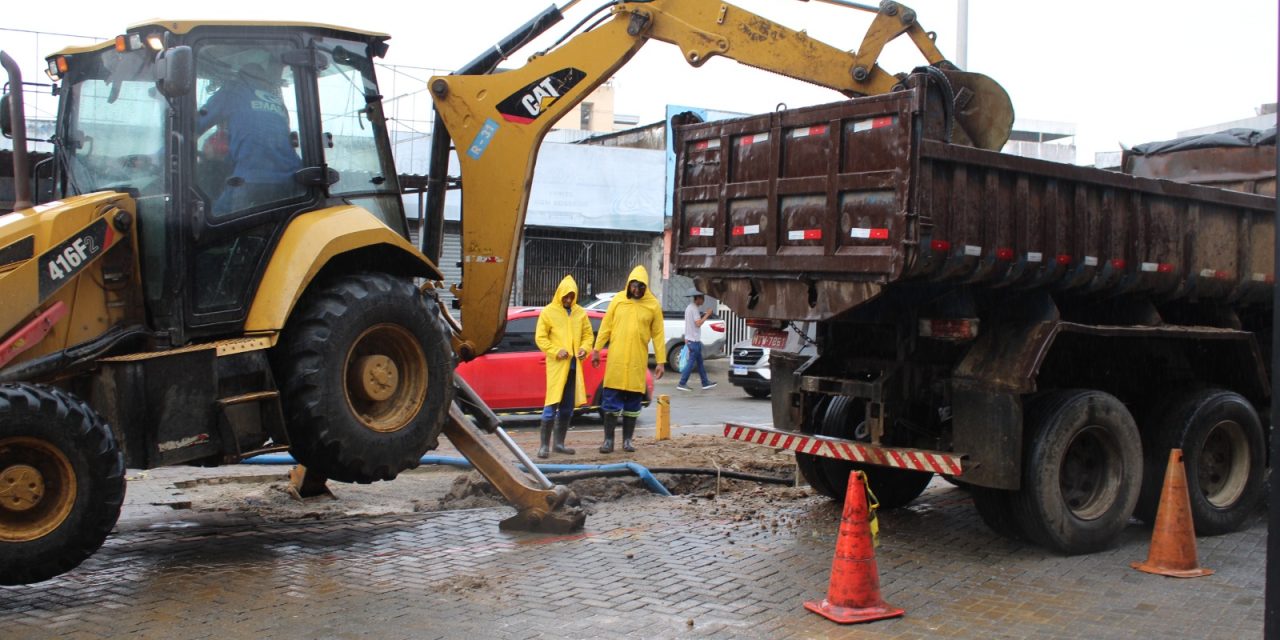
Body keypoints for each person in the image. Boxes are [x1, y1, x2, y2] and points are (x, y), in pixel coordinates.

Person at [196, 61, 303, 215]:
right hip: (293, 177)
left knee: (215, 219)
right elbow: (263, 138)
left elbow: (193, 125)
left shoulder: (232, 92)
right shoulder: (276, 101)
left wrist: (161, 155)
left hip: (252, 178)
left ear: (239, 77)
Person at [591, 265, 665, 453]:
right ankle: (608, 441)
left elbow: (658, 335)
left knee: (633, 404)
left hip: (637, 362)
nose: (636, 290)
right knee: (611, 403)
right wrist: (597, 349)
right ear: (628, 284)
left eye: (640, 287)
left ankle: (627, 441)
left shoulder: (653, 305)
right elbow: (606, 326)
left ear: (645, 287)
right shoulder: (618, 301)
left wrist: (661, 361)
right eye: (633, 286)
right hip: (617, 360)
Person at [533, 275, 594, 458]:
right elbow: (540, 338)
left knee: (567, 408)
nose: (568, 300)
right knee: (551, 404)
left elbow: (588, 336)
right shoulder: (549, 312)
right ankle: (544, 446)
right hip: (557, 367)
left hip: (574, 368)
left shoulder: (580, 313)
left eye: (571, 296)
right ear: (559, 294)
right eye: (565, 296)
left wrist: (584, 349)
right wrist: (555, 351)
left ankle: (559, 444)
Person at [676, 289, 718, 392]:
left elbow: (689, 324)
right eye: (702, 298)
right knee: (691, 363)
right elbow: (698, 323)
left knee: (700, 363)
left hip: (692, 340)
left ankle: (705, 382)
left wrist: (686, 337)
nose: (703, 300)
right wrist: (707, 314)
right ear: (697, 298)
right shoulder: (694, 309)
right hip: (694, 341)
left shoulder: (689, 308)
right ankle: (682, 383)